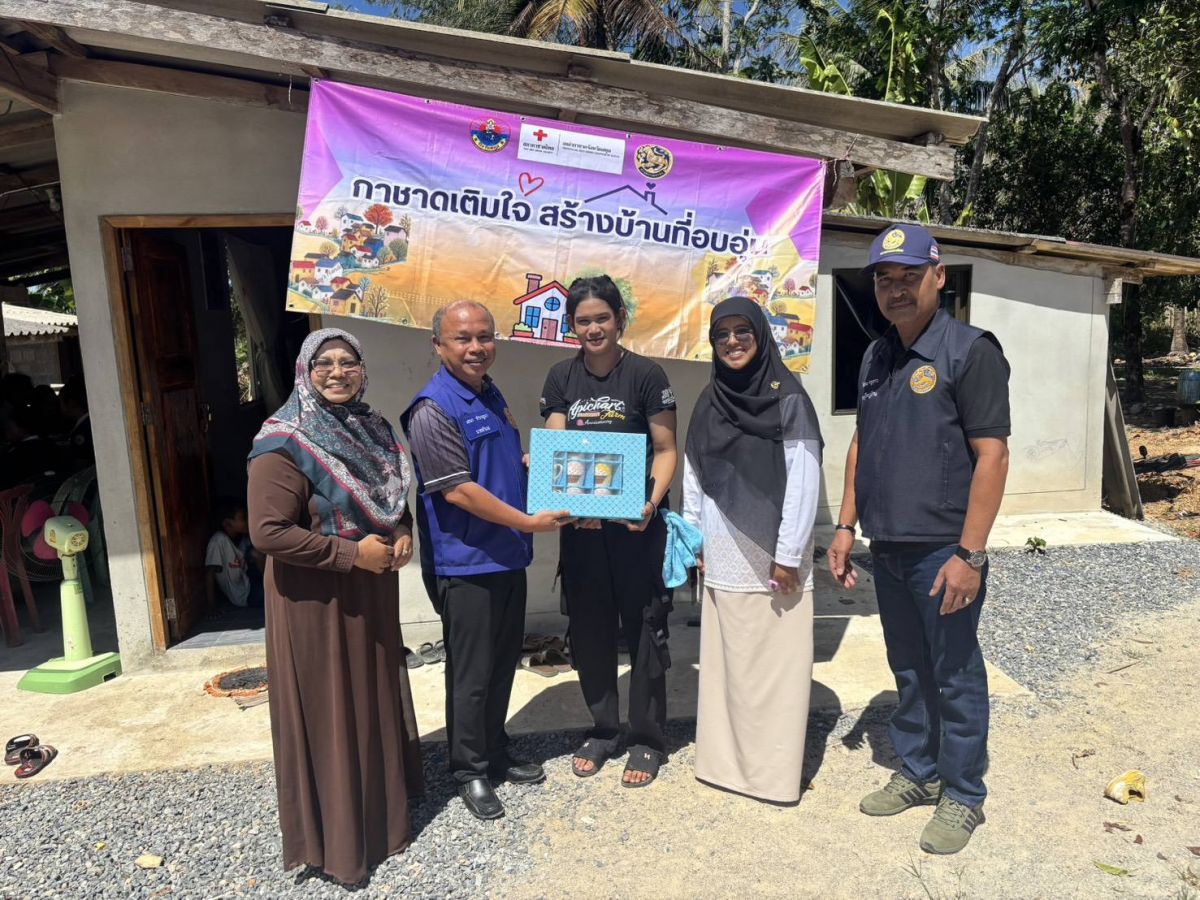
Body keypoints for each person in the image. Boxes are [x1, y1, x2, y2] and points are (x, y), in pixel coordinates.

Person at [827, 223, 1011, 855]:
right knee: (908, 666)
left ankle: (963, 794)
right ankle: (920, 771)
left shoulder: (970, 352)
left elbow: (993, 456)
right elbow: (861, 443)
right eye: (885, 278)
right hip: (888, 545)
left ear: (939, 277)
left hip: (943, 550)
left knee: (953, 671)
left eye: (909, 276)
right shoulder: (876, 355)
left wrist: (970, 554)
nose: (896, 289)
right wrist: (845, 525)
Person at [247, 328, 422, 885]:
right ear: (305, 370)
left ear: (363, 369)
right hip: (315, 599)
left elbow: (389, 500)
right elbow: (268, 532)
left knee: (369, 697)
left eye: (349, 362)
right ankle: (342, 844)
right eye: (325, 363)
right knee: (332, 710)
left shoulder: (372, 428)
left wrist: (402, 530)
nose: (338, 372)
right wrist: (351, 555)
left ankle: (384, 820)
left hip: (370, 586)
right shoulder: (284, 441)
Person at [402, 300, 569, 821]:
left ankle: (494, 749)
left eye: (484, 336)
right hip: (466, 561)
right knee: (471, 672)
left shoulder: (488, 393)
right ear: (438, 346)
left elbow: (495, 463)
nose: (476, 347)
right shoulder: (432, 409)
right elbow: (458, 491)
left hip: (505, 555)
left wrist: (533, 464)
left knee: (501, 662)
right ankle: (468, 769)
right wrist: (529, 523)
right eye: (462, 338)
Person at [540, 274, 678, 788]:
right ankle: (603, 729)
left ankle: (647, 738)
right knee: (590, 630)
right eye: (583, 321)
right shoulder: (561, 377)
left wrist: (649, 505)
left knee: (645, 630)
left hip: (636, 527)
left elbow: (666, 450)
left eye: (602, 318)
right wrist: (554, 485)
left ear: (620, 319)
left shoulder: (646, 375)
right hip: (582, 531)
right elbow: (557, 447)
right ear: (571, 326)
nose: (593, 328)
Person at [683, 297, 823, 804]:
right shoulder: (710, 398)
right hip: (722, 552)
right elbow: (695, 472)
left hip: (774, 553)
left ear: (761, 335)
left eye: (743, 331)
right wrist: (694, 539)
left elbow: (804, 479)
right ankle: (724, 765)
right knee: (729, 660)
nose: (732, 342)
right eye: (722, 334)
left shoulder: (790, 398)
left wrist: (788, 554)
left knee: (774, 664)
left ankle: (771, 775)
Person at [204, 498, 264, 610]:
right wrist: (211, 606)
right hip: (245, 594)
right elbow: (209, 573)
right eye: (243, 518)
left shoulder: (240, 538)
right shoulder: (218, 540)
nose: (247, 521)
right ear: (227, 523)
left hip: (249, 581)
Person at [58, 376, 94, 472]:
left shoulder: (82, 431)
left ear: (71, 403)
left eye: (60, 402)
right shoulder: (89, 423)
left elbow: (81, 465)